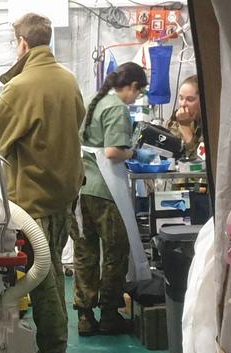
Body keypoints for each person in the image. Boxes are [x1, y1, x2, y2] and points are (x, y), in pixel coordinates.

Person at [0, 13, 84, 353]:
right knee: (53, 267)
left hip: (33, 199)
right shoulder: (68, 80)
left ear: (23, 44)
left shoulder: (19, 87)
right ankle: (55, 343)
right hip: (64, 192)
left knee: (42, 274)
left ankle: (54, 350)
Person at [75, 62, 153, 338]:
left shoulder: (91, 100)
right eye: (138, 93)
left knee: (85, 254)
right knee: (115, 252)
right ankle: (109, 315)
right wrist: (134, 154)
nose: (135, 99)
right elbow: (111, 152)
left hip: (80, 189)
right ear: (132, 87)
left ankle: (84, 316)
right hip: (104, 191)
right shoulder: (117, 108)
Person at [168, 75, 203, 159]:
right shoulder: (178, 118)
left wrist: (185, 127)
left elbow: (200, 162)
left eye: (190, 99)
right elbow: (171, 150)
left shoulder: (212, 123)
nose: (183, 104)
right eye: (181, 98)